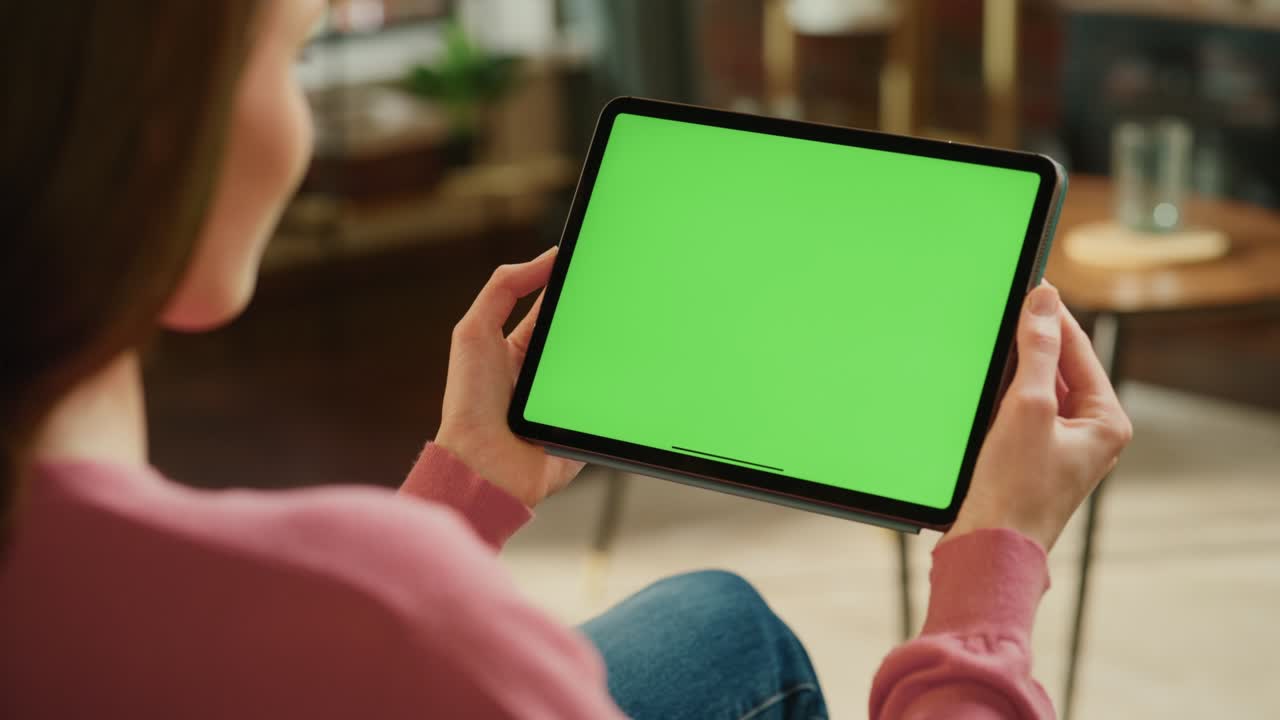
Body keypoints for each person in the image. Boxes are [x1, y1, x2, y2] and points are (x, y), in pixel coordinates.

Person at [0, 2, 1132, 718]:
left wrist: (460, 483)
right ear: (156, 130)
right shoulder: (389, 616)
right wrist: (993, 570)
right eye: (294, 57)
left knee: (720, 622)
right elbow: (374, 640)